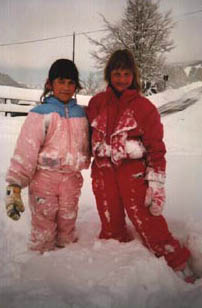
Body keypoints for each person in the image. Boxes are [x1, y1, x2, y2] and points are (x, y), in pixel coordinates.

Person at [86, 49, 196, 282]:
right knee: (110, 221)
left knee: (147, 220)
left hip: (132, 174)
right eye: (116, 73)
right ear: (109, 74)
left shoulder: (144, 107)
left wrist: (156, 183)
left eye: (126, 73)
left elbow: (156, 147)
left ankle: (176, 261)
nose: (121, 78)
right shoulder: (96, 103)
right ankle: (114, 265)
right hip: (103, 173)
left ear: (133, 75)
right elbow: (86, 137)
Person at [5, 58, 90, 253]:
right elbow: (25, 151)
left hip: (72, 179)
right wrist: (15, 184)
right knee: (43, 222)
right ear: (50, 84)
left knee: (68, 219)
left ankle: (67, 255)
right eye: (61, 82)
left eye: (71, 83)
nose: (66, 87)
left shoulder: (82, 114)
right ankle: (40, 259)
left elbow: (90, 143)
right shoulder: (40, 114)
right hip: (44, 179)